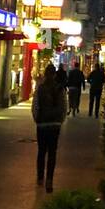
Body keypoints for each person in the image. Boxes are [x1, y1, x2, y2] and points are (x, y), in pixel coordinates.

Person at [33, 64, 66, 192]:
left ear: (45, 74)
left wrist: (37, 119)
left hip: (42, 124)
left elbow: (35, 105)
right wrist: (60, 121)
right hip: (55, 125)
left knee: (41, 151)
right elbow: (64, 106)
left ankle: (40, 177)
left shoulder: (40, 88)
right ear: (55, 74)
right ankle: (49, 179)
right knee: (52, 152)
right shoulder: (60, 89)